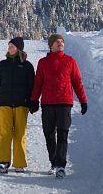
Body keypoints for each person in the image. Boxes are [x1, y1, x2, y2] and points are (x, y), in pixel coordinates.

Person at [29, 33, 87, 179]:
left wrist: (83, 101)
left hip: (64, 103)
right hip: (47, 103)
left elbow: (77, 82)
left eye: (62, 41)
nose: (60, 43)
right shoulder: (43, 62)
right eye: (57, 42)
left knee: (62, 134)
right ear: (51, 46)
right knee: (48, 133)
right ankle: (53, 162)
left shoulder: (70, 61)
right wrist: (34, 100)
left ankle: (61, 165)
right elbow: (38, 83)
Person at [0, 36, 35, 174]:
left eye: (12, 46)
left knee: (19, 134)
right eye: (9, 46)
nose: (9, 48)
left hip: (21, 104)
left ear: (19, 48)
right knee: (4, 133)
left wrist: (33, 101)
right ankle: (3, 162)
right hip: (5, 103)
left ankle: (19, 163)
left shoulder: (27, 66)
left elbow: (32, 87)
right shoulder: (2, 65)